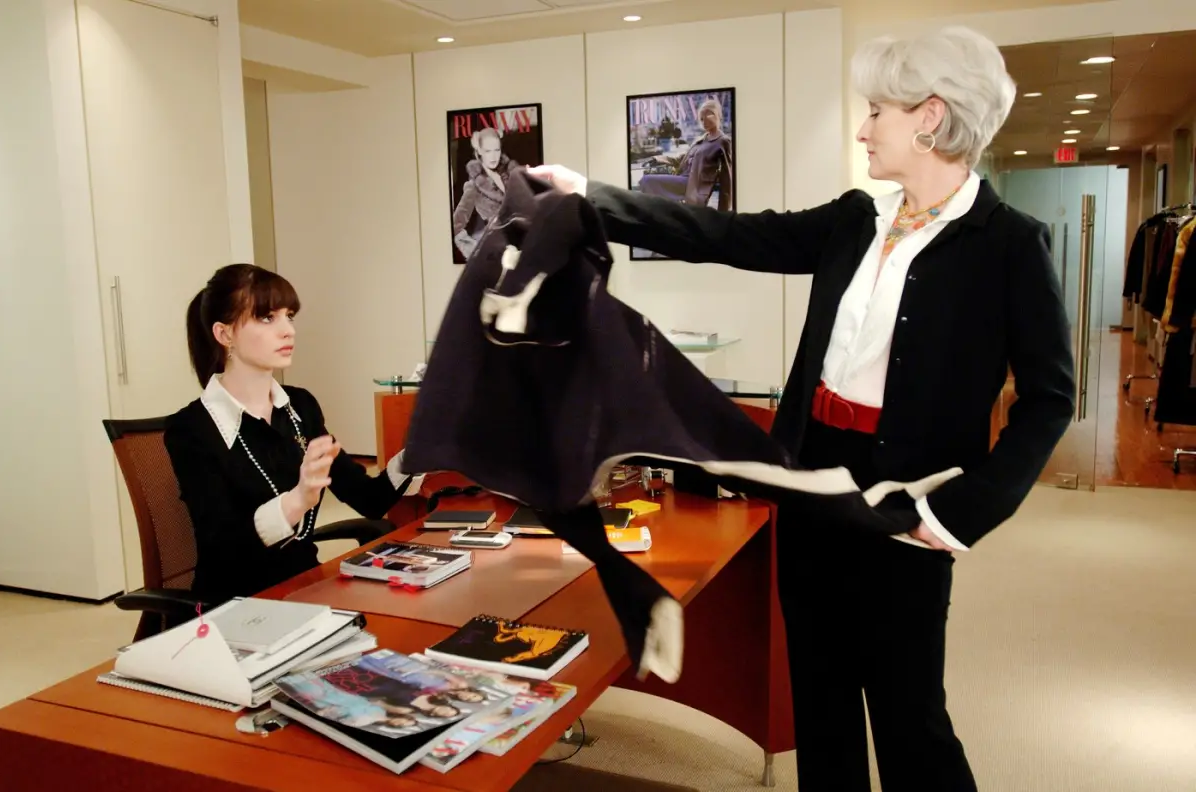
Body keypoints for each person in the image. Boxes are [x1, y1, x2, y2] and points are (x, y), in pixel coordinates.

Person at [529, 26, 1075, 792]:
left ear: (930, 117)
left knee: (909, 716)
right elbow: (726, 233)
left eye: (876, 111)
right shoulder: (856, 219)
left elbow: (1051, 399)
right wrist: (591, 198)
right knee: (819, 700)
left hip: (904, 503)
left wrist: (960, 514)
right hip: (812, 483)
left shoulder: (1009, 245)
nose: (863, 128)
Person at [165, 264, 424, 606]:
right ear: (224, 334)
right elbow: (225, 550)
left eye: (289, 316)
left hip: (306, 592)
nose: (288, 330)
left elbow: (369, 499)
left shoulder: (300, 407)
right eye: (267, 318)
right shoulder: (191, 429)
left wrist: (420, 451)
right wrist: (297, 500)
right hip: (236, 608)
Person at [639, 97, 733, 211]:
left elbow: (727, 179)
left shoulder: (723, 141)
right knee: (647, 182)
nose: (704, 122)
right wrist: (657, 158)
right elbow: (682, 158)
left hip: (694, 186)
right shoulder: (701, 139)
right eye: (701, 119)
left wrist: (723, 213)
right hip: (683, 179)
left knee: (647, 181)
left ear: (717, 115)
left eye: (707, 117)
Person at [452, 127, 519, 259]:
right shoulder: (474, 185)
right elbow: (456, 226)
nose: (493, 156)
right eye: (488, 151)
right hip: (497, 251)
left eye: (496, 150)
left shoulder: (512, 172)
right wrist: (477, 252)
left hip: (520, 246)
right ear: (479, 151)